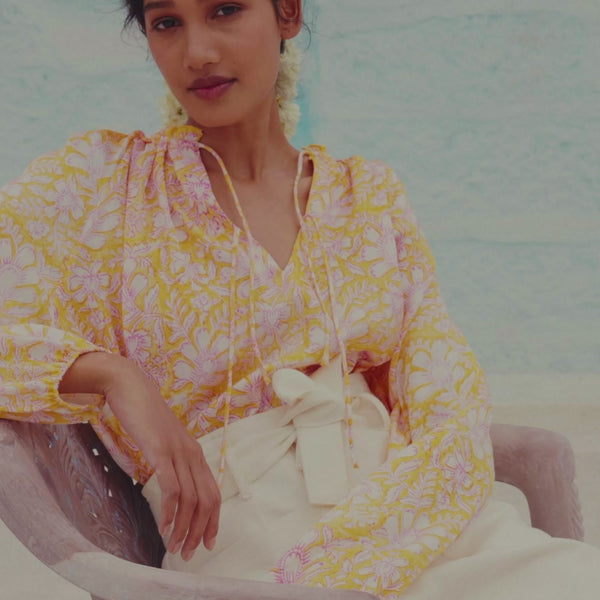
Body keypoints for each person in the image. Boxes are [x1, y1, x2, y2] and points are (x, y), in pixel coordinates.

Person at [0, 1, 599, 598]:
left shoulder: (368, 197)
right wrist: (112, 375)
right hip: (248, 552)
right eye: (167, 23)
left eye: (225, 10)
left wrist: (390, 530)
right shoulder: (102, 186)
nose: (197, 52)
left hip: (418, 518)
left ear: (287, 14)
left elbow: (446, 394)